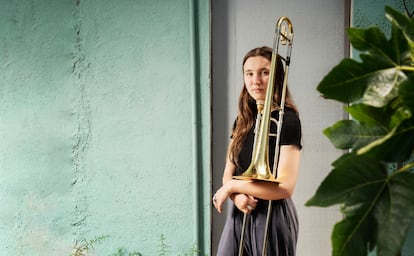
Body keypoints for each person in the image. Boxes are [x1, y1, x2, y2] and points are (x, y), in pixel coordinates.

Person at [213, 46, 302, 256]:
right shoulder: (242, 121)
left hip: (272, 214)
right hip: (241, 210)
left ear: (277, 76)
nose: (256, 81)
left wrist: (233, 187)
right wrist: (236, 197)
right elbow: (228, 173)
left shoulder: (288, 121)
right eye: (249, 74)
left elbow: (286, 188)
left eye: (264, 72)